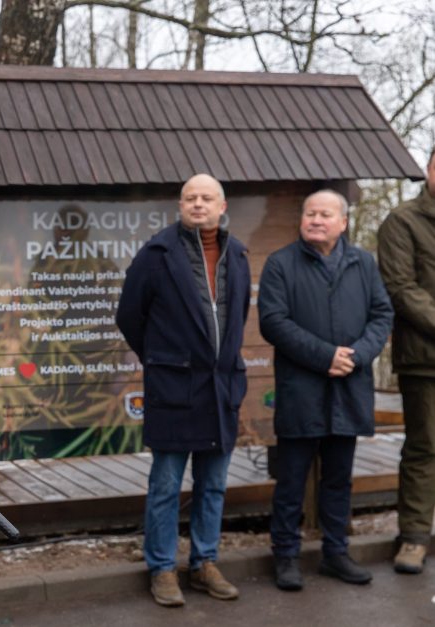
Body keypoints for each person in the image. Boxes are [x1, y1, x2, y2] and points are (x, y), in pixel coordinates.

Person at [116, 173, 251, 607]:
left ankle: (204, 562)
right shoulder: (156, 255)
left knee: (213, 485)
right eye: (190, 198)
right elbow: (129, 316)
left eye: (206, 198)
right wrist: (162, 358)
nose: (198, 204)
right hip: (174, 390)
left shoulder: (239, 255)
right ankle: (162, 568)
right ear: (180, 206)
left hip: (221, 390)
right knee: (166, 485)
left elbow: (238, 318)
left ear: (221, 206)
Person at [258, 190, 393, 591]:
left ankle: (336, 553)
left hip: (349, 388)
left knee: (338, 480)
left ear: (343, 222)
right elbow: (273, 322)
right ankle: (285, 555)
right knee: (291, 480)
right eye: (310, 213)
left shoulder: (363, 263)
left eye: (325, 214)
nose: (316, 220)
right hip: (302, 389)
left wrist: (358, 355)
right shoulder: (281, 263)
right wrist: (325, 356)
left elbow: (382, 314)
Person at [378, 148, 435, 575]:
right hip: (424, 358)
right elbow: (401, 288)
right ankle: (414, 537)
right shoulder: (402, 221)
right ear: (430, 170)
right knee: (425, 447)